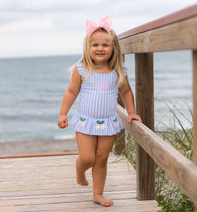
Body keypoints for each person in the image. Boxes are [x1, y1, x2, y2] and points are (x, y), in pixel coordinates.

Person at [58, 16, 142, 207]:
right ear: (88, 48)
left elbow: (126, 91)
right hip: (85, 121)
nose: (100, 48)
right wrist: (63, 113)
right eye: (95, 44)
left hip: (108, 122)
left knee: (102, 159)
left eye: (106, 45)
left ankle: (98, 193)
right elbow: (71, 92)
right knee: (88, 158)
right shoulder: (82, 69)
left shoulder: (118, 71)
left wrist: (131, 112)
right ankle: (80, 170)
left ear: (114, 48)